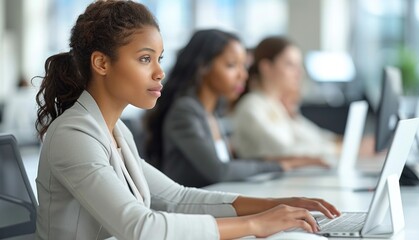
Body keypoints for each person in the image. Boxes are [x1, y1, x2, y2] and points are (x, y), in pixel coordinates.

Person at [35, 1, 340, 239]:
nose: (159, 72)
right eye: (145, 59)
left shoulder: (115, 131)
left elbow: (176, 198)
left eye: (159, 58)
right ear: (101, 63)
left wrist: (278, 204)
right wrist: (256, 224)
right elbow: (142, 228)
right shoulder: (73, 134)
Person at [144, 29, 328, 188]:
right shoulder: (185, 111)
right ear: (203, 67)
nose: (243, 75)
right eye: (232, 65)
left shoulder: (211, 111)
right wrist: (282, 165)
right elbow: (220, 171)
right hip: (190, 214)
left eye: (244, 66)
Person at [231, 36, 344, 161]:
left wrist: (338, 143)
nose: (299, 73)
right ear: (266, 67)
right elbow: (283, 151)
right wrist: (336, 149)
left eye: (299, 65)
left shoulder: (276, 105)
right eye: (290, 65)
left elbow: (311, 138)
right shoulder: (251, 105)